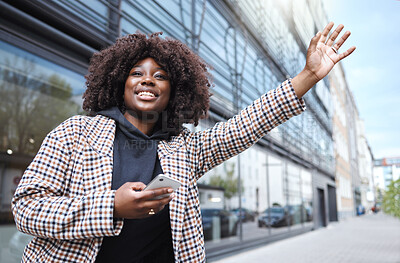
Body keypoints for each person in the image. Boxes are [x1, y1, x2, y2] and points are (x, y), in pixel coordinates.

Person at [12, 22, 355, 262]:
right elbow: (26, 209)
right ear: (120, 83)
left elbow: (245, 125)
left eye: (160, 76)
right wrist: (111, 206)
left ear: (174, 92)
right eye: (137, 73)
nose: (148, 80)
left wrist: (308, 75)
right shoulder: (75, 133)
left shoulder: (184, 148)